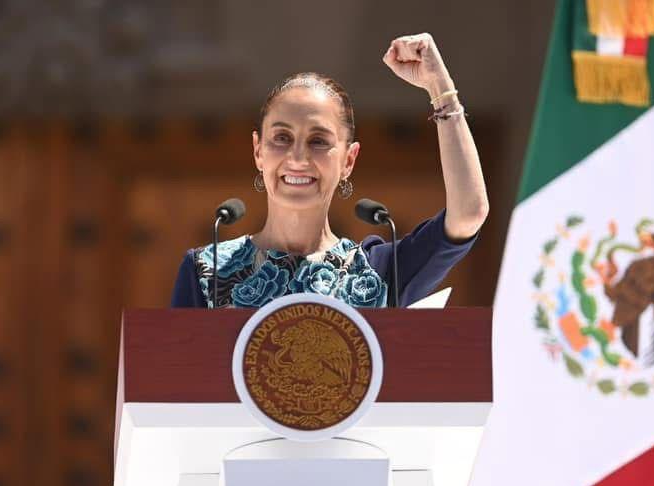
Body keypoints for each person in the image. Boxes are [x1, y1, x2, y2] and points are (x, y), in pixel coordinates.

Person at [170, 33, 488, 309]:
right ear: (258, 151)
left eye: (318, 141)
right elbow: (170, 375)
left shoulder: (376, 271)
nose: (298, 157)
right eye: (282, 138)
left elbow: (469, 213)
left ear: (348, 160)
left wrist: (442, 91)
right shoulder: (206, 270)